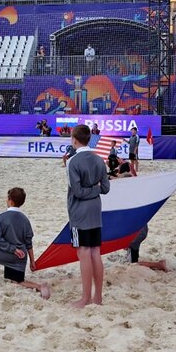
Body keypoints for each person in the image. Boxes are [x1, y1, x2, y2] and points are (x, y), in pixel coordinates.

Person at [0, 187, 51, 299]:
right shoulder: (25, 219)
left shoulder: (1, 217)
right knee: (18, 281)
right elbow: (29, 242)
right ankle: (39, 286)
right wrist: (32, 261)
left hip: (6, 253)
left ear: (11, 201)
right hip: (20, 258)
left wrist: (12, 249)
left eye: (7, 199)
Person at [65, 124, 110, 307]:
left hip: (79, 211)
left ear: (74, 140)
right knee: (95, 252)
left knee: (83, 252)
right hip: (95, 209)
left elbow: (78, 192)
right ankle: (97, 297)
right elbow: (105, 188)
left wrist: (91, 189)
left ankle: (85, 298)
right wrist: (96, 189)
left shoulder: (72, 162)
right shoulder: (99, 159)